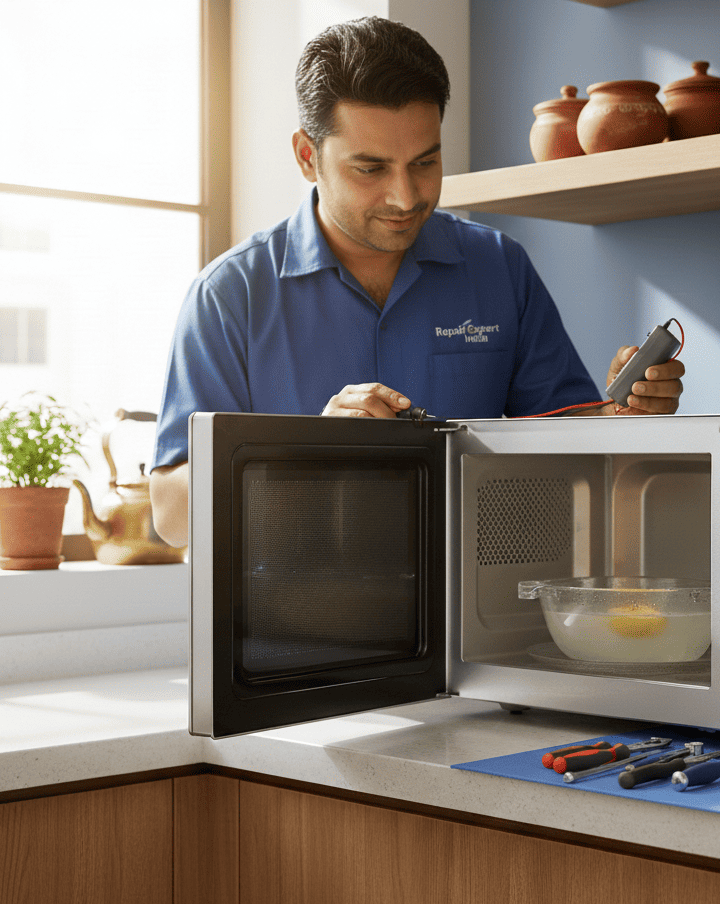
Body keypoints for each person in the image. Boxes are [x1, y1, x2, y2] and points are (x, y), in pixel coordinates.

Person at [149, 16, 684, 547]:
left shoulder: (500, 267)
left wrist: (622, 415)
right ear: (308, 157)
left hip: (474, 599)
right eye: (371, 169)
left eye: (425, 162)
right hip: (293, 604)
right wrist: (308, 453)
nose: (405, 197)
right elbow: (171, 517)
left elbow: (574, 453)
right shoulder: (229, 295)